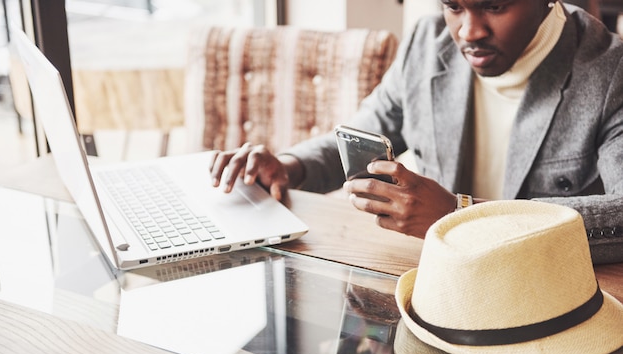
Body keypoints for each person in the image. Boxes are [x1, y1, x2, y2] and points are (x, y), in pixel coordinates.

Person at [209, 0, 623, 264]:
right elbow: (366, 130)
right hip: (429, 281)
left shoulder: (610, 71)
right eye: (453, 6)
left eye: (494, 6)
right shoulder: (428, 43)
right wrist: (288, 165)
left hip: (547, 293)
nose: (468, 31)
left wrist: (460, 216)